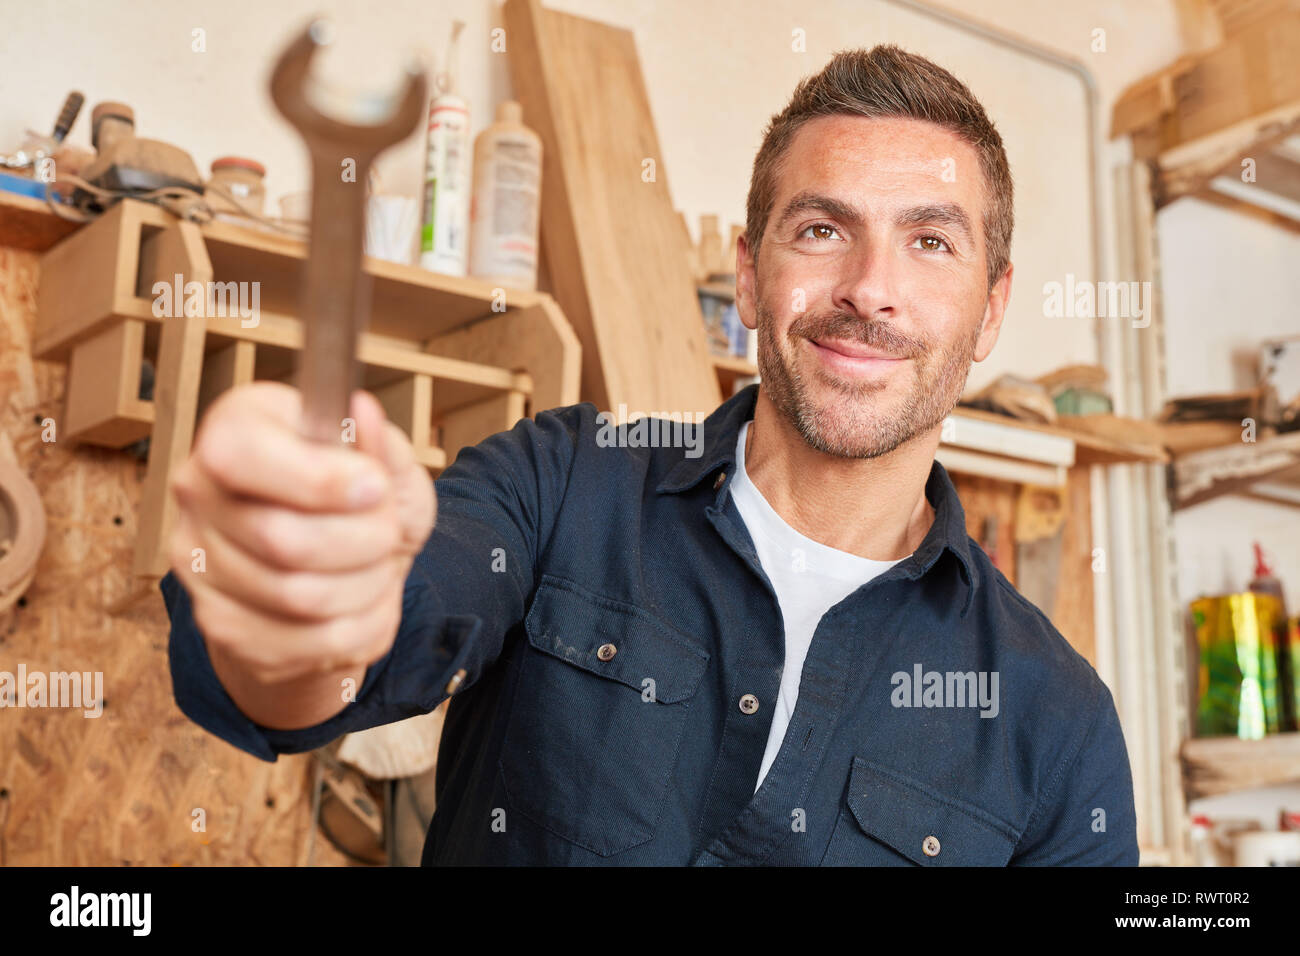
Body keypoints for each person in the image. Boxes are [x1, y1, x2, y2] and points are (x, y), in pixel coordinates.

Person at [164, 44, 1138, 865]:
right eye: (820, 228)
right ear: (750, 278)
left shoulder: (1055, 721)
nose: (868, 287)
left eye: (930, 242)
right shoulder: (564, 486)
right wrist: (293, 613)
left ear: (991, 310)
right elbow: (326, 670)